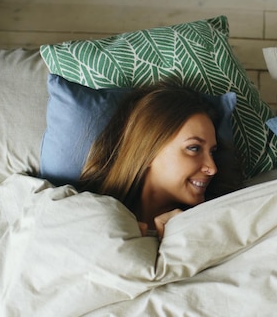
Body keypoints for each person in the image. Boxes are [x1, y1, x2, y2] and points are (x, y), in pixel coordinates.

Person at [79, 83, 220, 238]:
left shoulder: (214, 226)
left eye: (212, 152)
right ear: (147, 150)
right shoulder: (81, 215)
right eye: (194, 148)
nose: (212, 168)